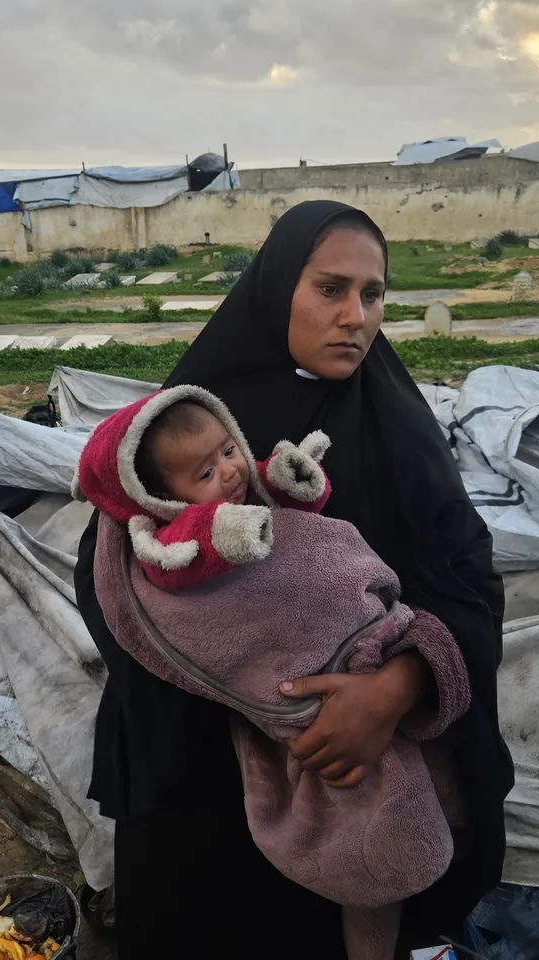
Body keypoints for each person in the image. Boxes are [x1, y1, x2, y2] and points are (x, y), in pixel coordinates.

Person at [74, 200, 513, 959]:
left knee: (371, 912)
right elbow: (111, 579)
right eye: (330, 289)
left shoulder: (395, 421)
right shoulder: (195, 419)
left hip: (372, 754)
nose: (355, 316)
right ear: (279, 286)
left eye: (372, 295)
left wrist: (397, 688)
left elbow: (467, 572)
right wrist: (246, 686)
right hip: (215, 769)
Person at [74, 388, 473, 957]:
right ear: (157, 495)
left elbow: (293, 513)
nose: (231, 472)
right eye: (207, 472)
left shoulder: (395, 429)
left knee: (420, 820)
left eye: (231, 451)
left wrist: (400, 680)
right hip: (257, 755)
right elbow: (181, 579)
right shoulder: (160, 505)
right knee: (366, 857)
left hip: (380, 664)